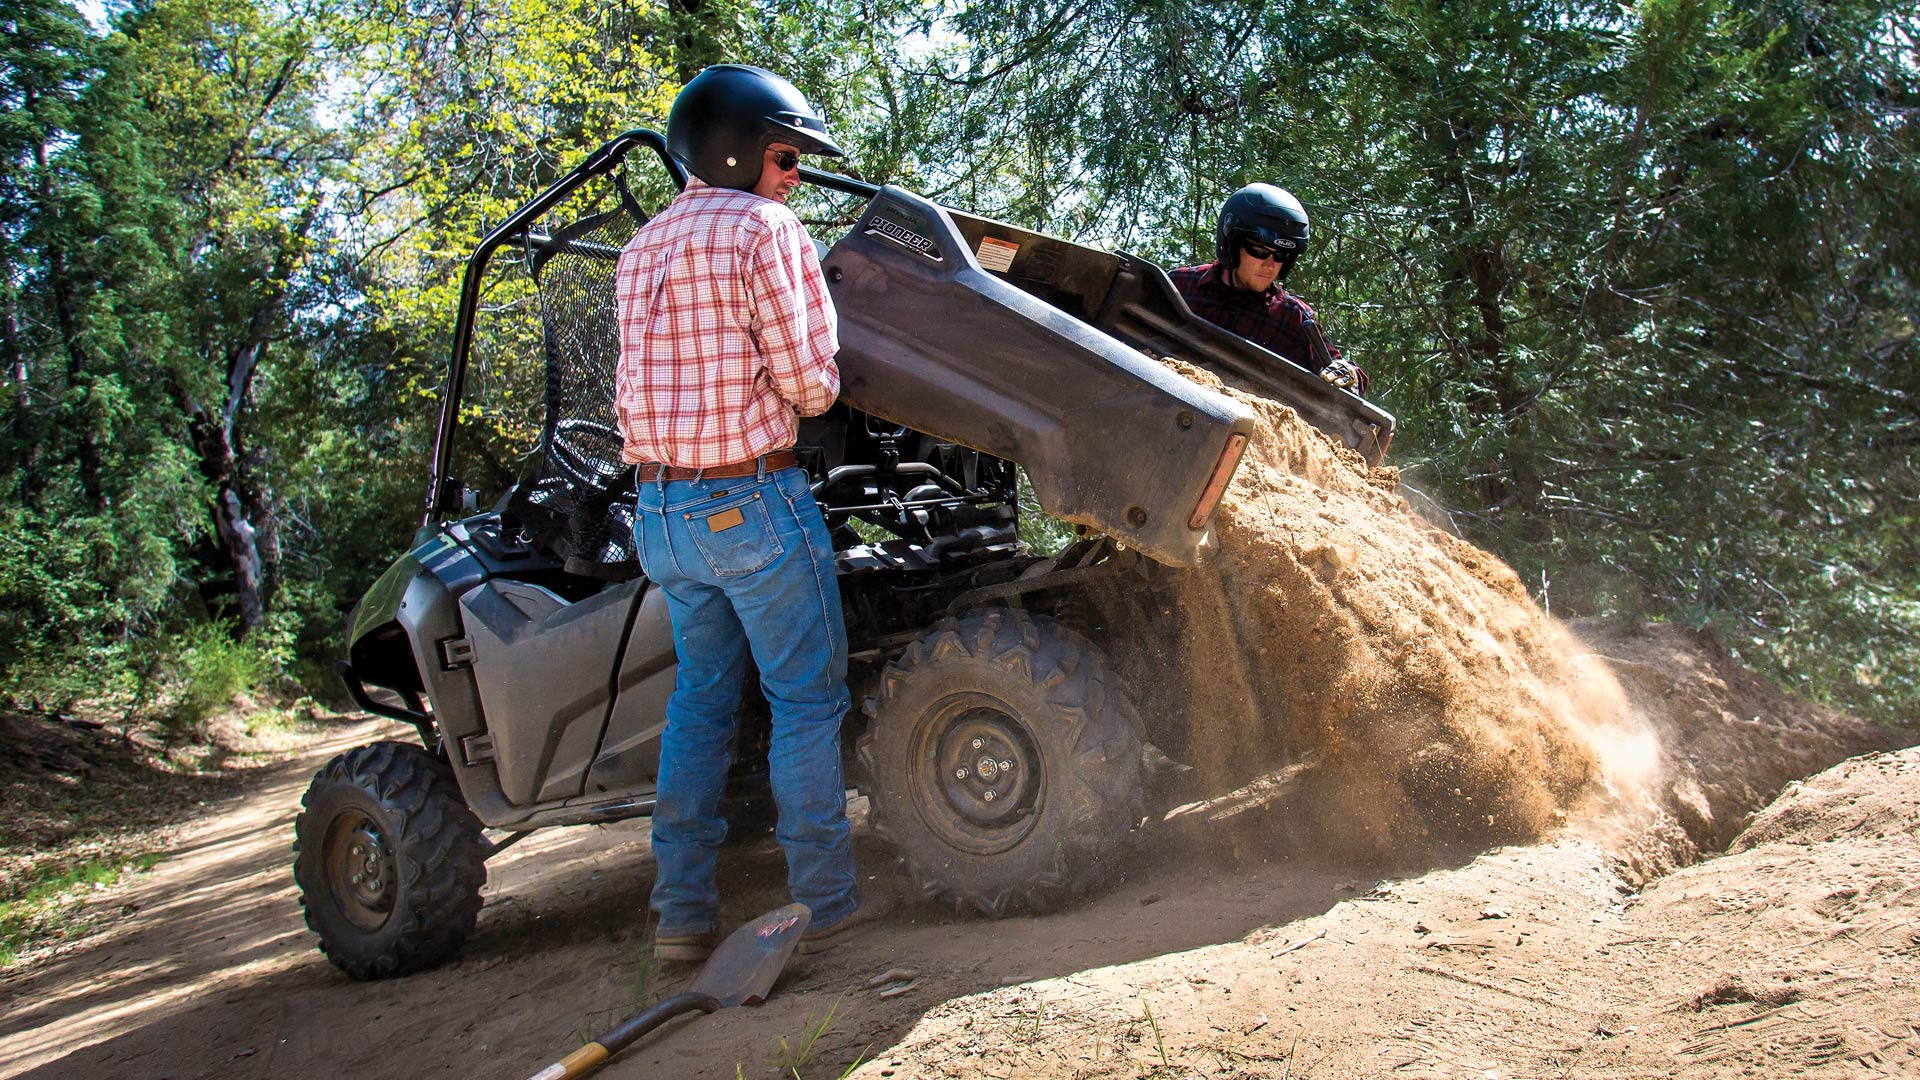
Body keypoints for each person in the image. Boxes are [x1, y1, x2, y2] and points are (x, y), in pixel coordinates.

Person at [613, 64, 891, 963]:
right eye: (785, 155)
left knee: (699, 704)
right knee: (805, 700)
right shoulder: (764, 228)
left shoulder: (640, 248)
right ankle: (828, 900)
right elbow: (813, 385)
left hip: (660, 513)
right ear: (735, 150)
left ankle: (682, 914)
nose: (794, 176)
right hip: (751, 503)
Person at [1169, 183, 1369, 396]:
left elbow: (1337, 371)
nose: (1270, 264)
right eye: (1259, 251)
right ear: (1232, 244)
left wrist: (1350, 373)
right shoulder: (1180, 286)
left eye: (1281, 255)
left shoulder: (1293, 318)